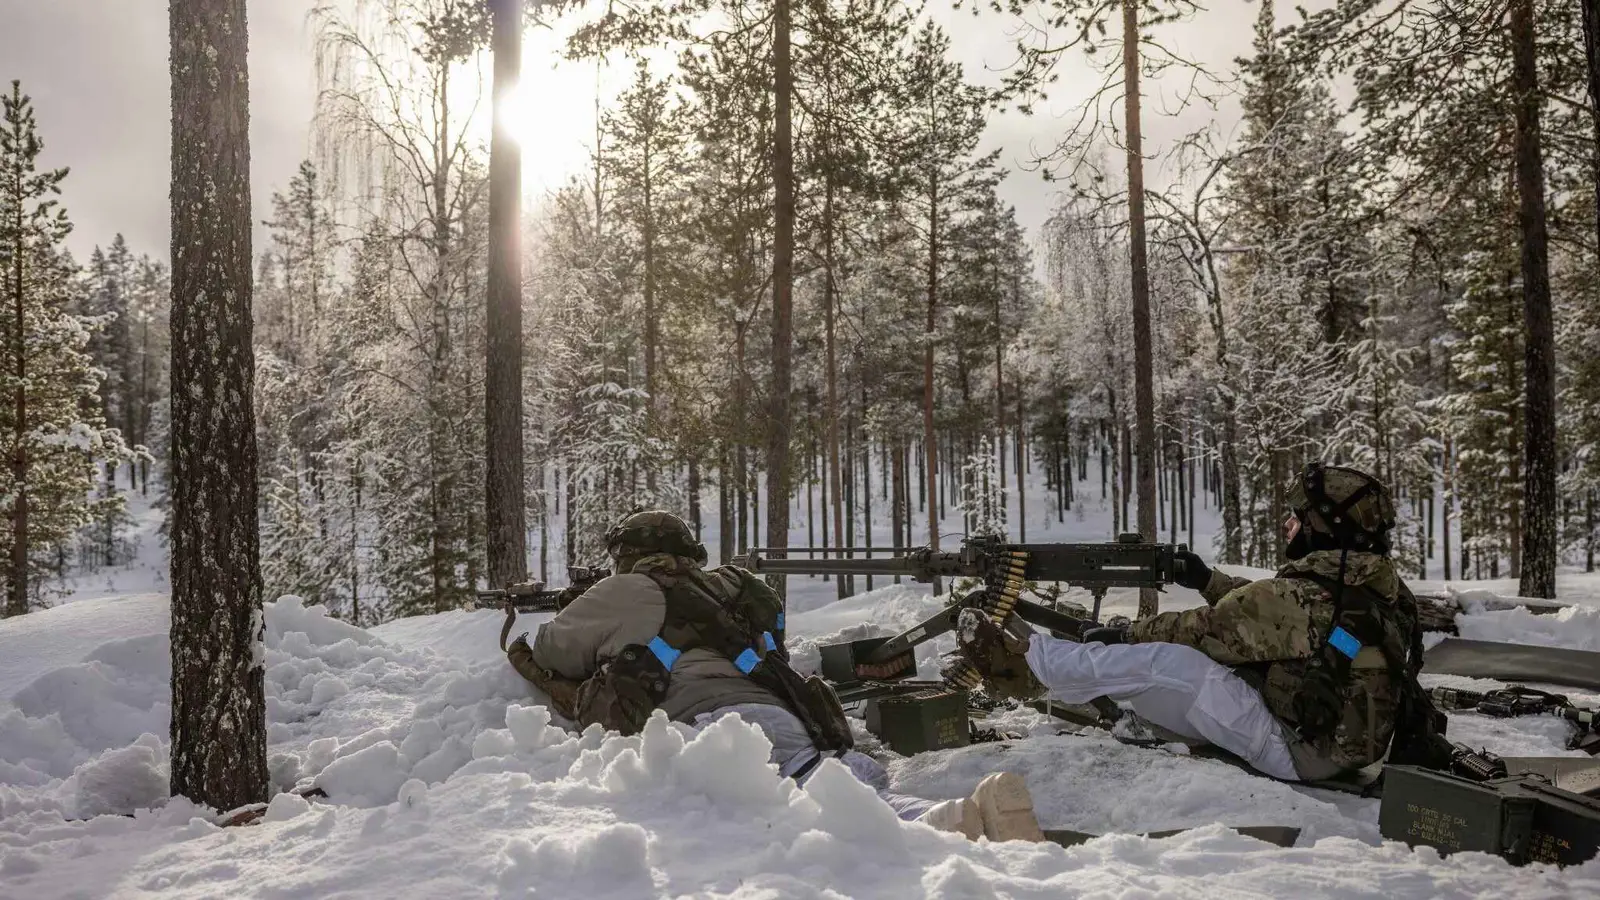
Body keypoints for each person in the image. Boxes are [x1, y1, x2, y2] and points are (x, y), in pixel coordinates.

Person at [505, 509, 1046, 842]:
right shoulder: (730, 590)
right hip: (782, 713)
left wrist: (587, 608)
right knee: (835, 783)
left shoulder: (627, 589)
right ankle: (957, 814)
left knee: (814, 805)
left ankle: (947, 824)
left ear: (630, 556)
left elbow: (553, 650)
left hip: (713, 727)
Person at [952, 463, 1437, 782]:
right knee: (1175, 679)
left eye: (1298, 517)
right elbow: (1274, 619)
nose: (1289, 525)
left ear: (1326, 526)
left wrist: (1124, 635)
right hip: (1339, 746)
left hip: (1299, 750)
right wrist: (1207, 579)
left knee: (1171, 662)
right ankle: (1085, 678)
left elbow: (1206, 631)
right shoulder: (1372, 587)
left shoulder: (1304, 595)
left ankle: (1034, 667)